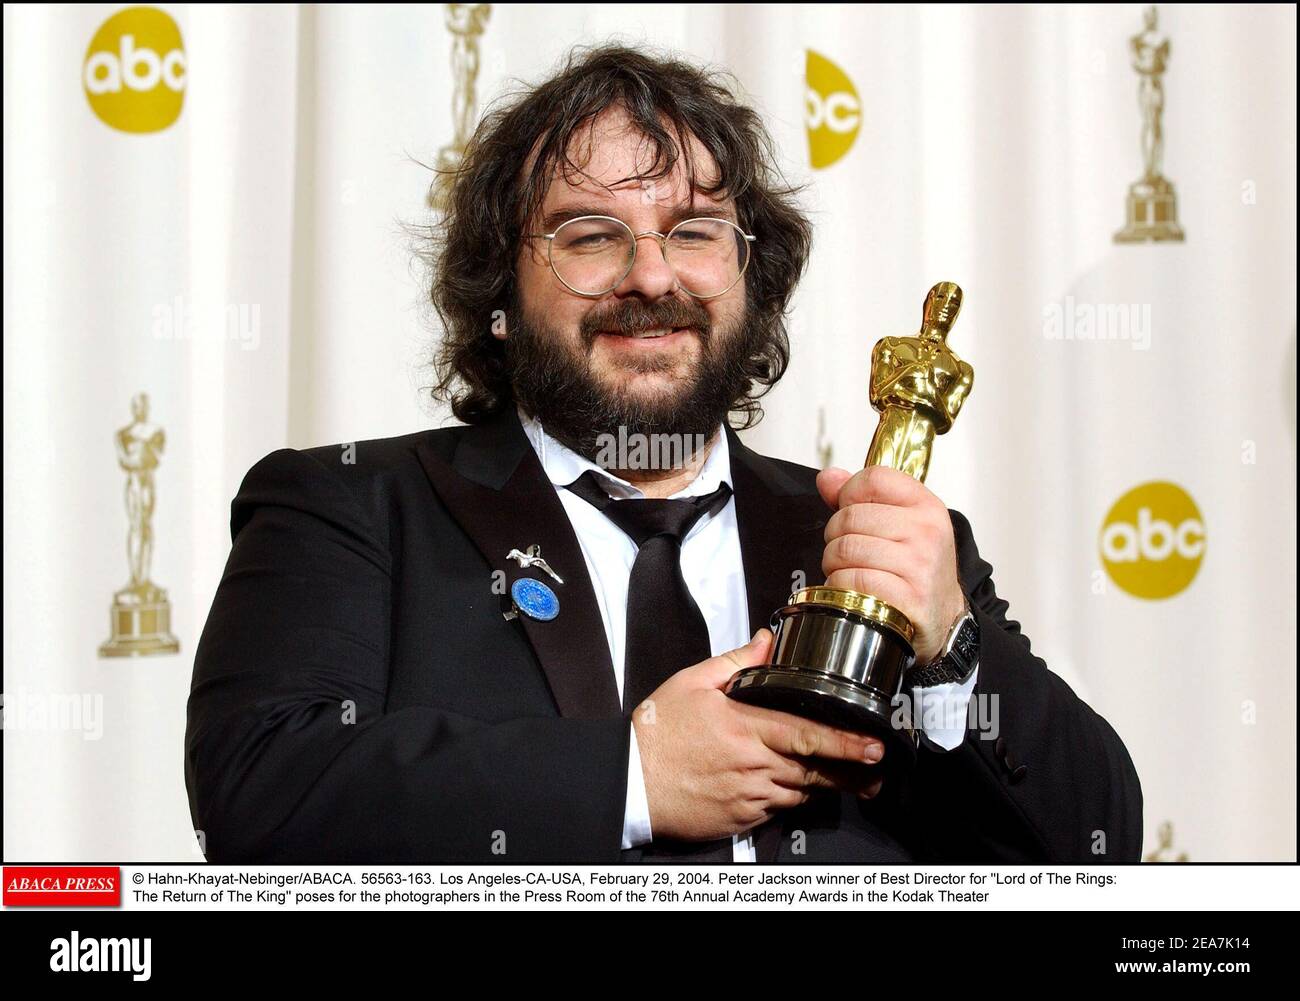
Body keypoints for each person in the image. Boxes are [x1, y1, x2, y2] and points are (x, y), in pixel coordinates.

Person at [185, 45, 1142, 864]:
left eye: (694, 231)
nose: (652, 274)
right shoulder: (350, 506)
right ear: (500, 294)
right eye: (590, 235)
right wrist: (635, 773)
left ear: (748, 279)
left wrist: (952, 654)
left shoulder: (876, 540)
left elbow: (1098, 842)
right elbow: (260, 794)